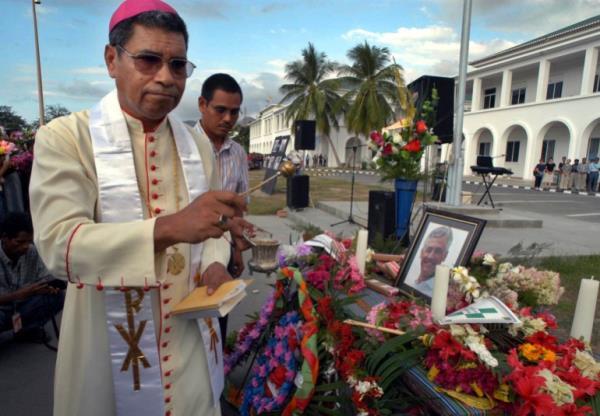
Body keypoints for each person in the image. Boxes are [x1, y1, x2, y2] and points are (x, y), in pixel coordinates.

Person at [29, 1, 252, 415]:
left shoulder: (196, 142)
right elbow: (59, 246)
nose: (166, 77)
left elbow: (212, 227)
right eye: (149, 60)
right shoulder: (67, 137)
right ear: (112, 59)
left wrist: (215, 263)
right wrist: (169, 228)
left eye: (178, 64)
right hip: (105, 350)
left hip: (189, 344)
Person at [195, 73, 249, 343]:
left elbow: (238, 207)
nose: (228, 118)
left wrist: (237, 251)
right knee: (188, 322)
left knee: (219, 317)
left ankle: (219, 375)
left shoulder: (238, 152)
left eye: (234, 112)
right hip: (187, 250)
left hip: (224, 245)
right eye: (220, 110)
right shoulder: (183, 146)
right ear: (202, 105)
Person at [0, 212, 64, 339]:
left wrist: (49, 287)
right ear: (4, 238)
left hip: (21, 306)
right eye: (20, 242)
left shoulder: (31, 251)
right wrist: (17, 295)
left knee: (56, 297)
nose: (25, 247)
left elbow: (45, 277)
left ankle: (26, 330)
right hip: (2, 310)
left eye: (29, 242)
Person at [406, 226, 452, 297]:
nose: (430, 256)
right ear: (421, 252)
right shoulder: (407, 281)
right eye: (428, 249)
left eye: (438, 251)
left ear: (444, 256)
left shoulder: (439, 295)